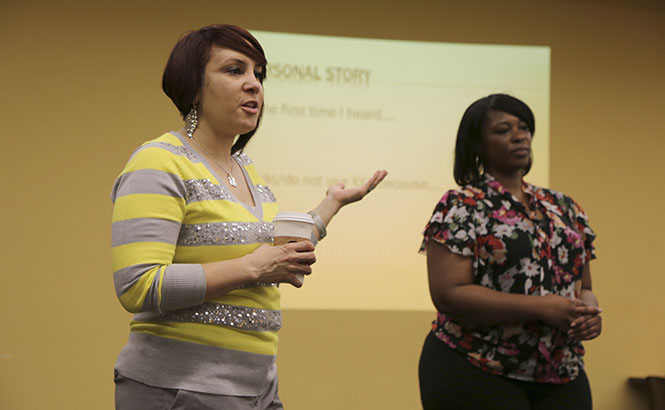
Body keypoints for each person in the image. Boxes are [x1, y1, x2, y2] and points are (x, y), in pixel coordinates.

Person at [110, 24, 387, 410]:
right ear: (192, 86)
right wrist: (253, 267)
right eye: (234, 70)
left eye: (259, 73)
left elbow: (270, 251)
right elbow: (138, 285)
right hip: (179, 389)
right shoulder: (159, 161)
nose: (254, 84)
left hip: (257, 388)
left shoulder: (245, 168)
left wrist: (330, 206)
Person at [418, 94, 601, 410]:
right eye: (503, 130)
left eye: (524, 127)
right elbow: (449, 294)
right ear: (478, 145)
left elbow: (583, 286)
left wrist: (588, 312)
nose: (520, 135)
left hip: (561, 372)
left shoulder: (564, 207)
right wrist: (540, 307)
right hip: (475, 366)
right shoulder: (462, 206)